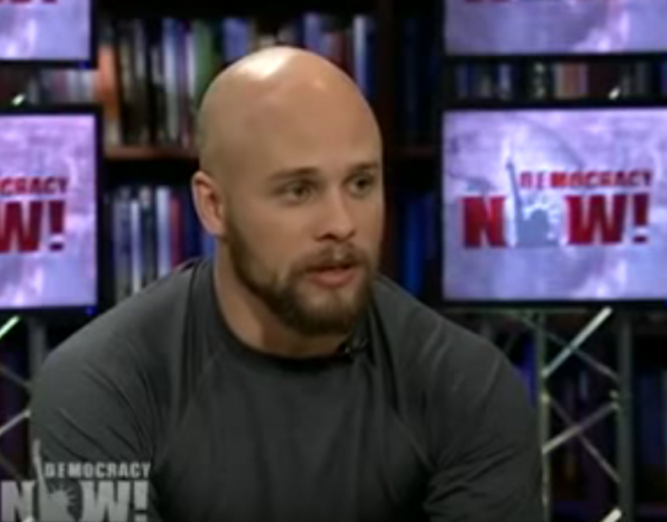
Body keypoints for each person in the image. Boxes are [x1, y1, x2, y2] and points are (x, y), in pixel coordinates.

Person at [30, 46, 543, 522]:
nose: (341, 223)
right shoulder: (101, 384)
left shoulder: (467, 387)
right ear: (214, 206)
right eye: (299, 190)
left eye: (361, 183)